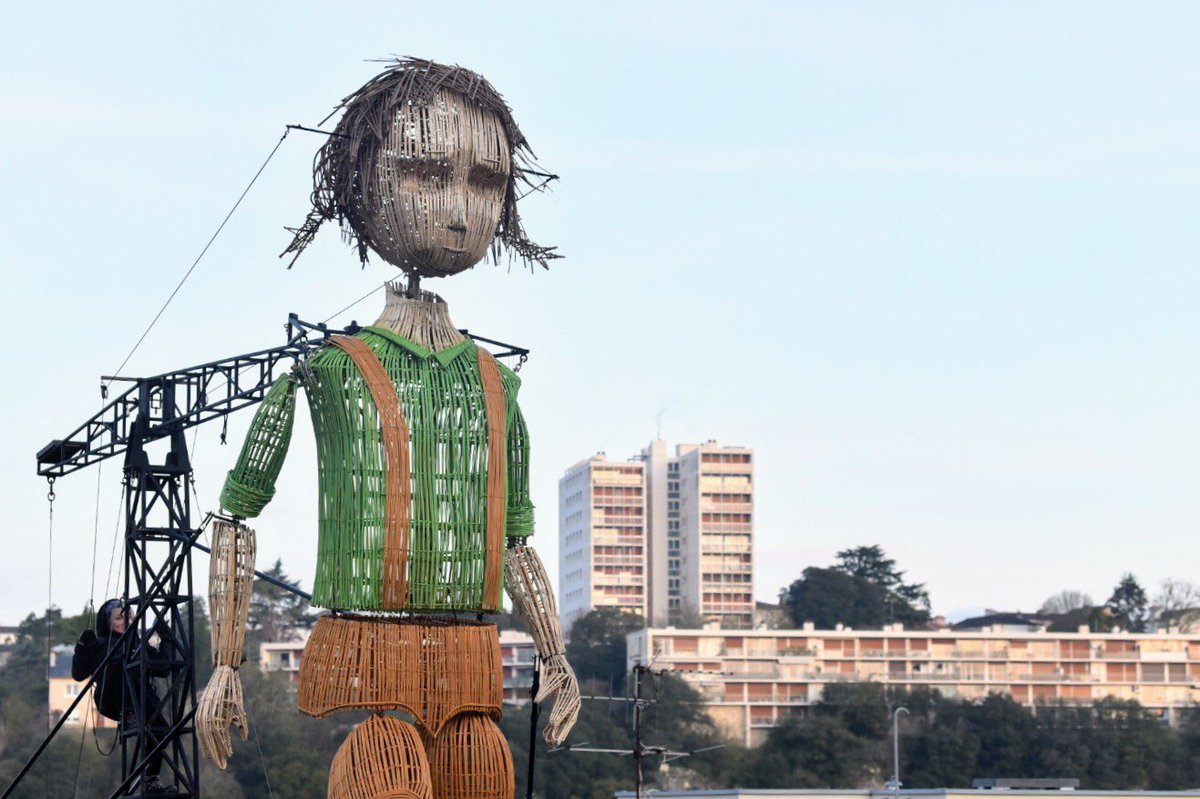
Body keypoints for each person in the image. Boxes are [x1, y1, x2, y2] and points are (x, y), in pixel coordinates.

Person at [72, 599, 172, 794]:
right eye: (119, 618)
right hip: (112, 698)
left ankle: (151, 778)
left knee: (161, 730)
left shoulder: (139, 645)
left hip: (142, 698)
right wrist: (82, 649)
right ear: (107, 623)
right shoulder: (101, 644)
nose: (126, 621)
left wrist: (166, 638)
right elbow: (78, 674)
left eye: (129, 616)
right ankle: (128, 715)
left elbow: (164, 668)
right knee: (123, 663)